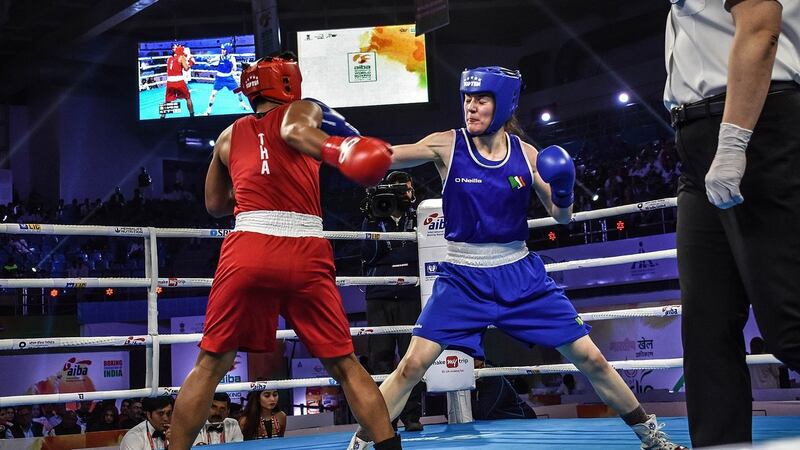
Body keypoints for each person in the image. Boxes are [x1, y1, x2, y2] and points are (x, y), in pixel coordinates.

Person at [347, 66, 687, 450]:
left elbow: (562, 216)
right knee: (410, 366)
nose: (470, 108)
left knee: (591, 359)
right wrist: (350, 149)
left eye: (481, 100)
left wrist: (563, 188)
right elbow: (392, 155)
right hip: (463, 276)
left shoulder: (527, 155)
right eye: (467, 99)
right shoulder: (448, 144)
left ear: (504, 103)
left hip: (521, 275)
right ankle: (360, 443)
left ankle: (651, 438)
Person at [168, 53, 401, 450]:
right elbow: (294, 131)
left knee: (209, 365)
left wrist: (254, 176)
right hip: (304, 248)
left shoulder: (227, 136)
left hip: (248, 246)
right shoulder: (302, 111)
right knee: (345, 364)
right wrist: (338, 150)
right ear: (290, 85)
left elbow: (215, 203)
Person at [663, 1, 800, 447]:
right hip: (695, 139)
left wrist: (734, 140)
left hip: (754, 123)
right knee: (707, 325)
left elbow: (761, 26)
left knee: (788, 318)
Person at [360, 171, 423, 432]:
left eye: (405, 189)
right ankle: (385, 418)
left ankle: (412, 417)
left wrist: (393, 253)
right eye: (396, 189)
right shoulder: (375, 215)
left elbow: (420, 252)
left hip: (410, 295)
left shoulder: (419, 216)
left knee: (413, 358)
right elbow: (368, 253)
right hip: (379, 294)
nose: (402, 194)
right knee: (380, 358)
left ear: (412, 190)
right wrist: (373, 218)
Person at [202, 43, 249, 115]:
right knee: (213, 94)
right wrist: (208, 61)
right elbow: (211, 61)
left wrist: (232, 65)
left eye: (224, 50)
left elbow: (235, 68)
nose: (222, 51)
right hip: (219, 79)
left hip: (229, 78)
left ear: (227, 50)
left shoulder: (232, 58)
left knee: (238, 92)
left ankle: (242, 103)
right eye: (222, 50)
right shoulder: (219, 57)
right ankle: (208, 109)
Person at [160, 44, 195, 118]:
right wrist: (191, 63)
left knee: (167, 100)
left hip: (169, 82)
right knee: (188, 98)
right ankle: (192, 116)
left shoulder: (169, 59)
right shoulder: (181, 57)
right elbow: (186, 68)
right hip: (179, 81)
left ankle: (162, 117)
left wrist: (186, 57)